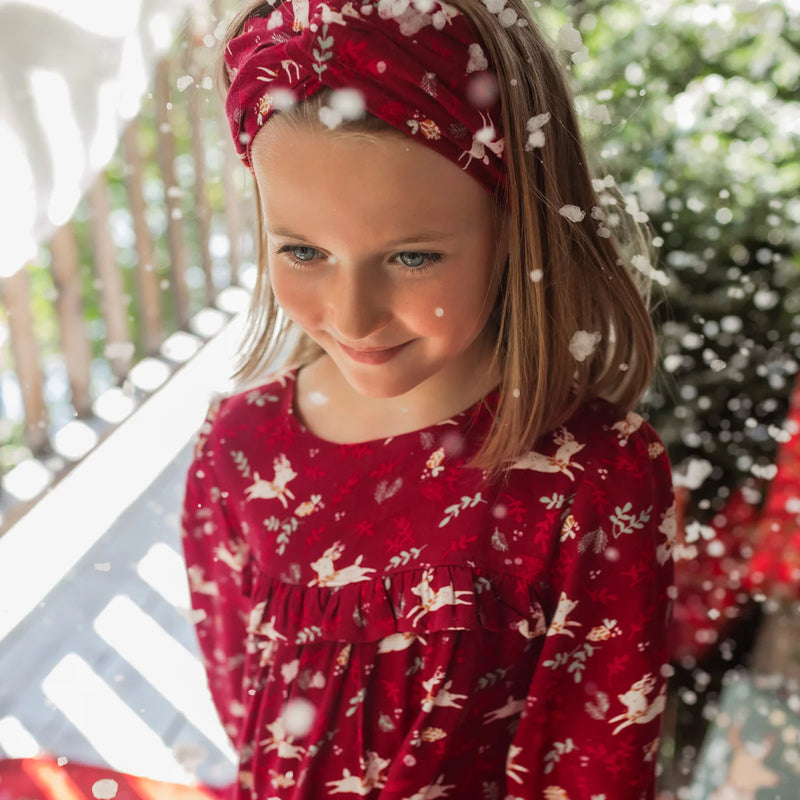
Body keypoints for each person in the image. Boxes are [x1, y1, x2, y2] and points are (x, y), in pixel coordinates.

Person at [180, 0, 676, 797]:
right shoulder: (238, 449)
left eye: (410, 257)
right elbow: (248, 715)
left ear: (518, 223)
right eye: (303, 250)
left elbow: (592, 771)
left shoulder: (591, 483)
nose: (352, 315)